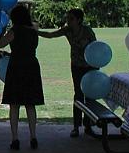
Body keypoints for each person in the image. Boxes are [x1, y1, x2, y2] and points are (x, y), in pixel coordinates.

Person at [39, 8, 97, 138]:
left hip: (89, 67)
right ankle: (76, 127)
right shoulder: (67, 31)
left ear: (79, 20)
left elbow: (95, 48)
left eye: (71, 19)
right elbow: (50, 35)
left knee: (89, 96)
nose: (68, 21)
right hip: (76, 66)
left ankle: (89, 126)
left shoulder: (87, 31)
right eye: (67, 18)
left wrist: (95, 64)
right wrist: (36, 32)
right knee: (78, 95)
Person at [0, 5, 44, 150]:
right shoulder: (33, 31)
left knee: (14, 104)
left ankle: (15, 138)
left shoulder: (14, 31)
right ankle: (33, 136)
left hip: (16, 66)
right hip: (31, 65)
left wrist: (2, 30)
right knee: (30, 104)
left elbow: (0, 44)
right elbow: (28, 49)